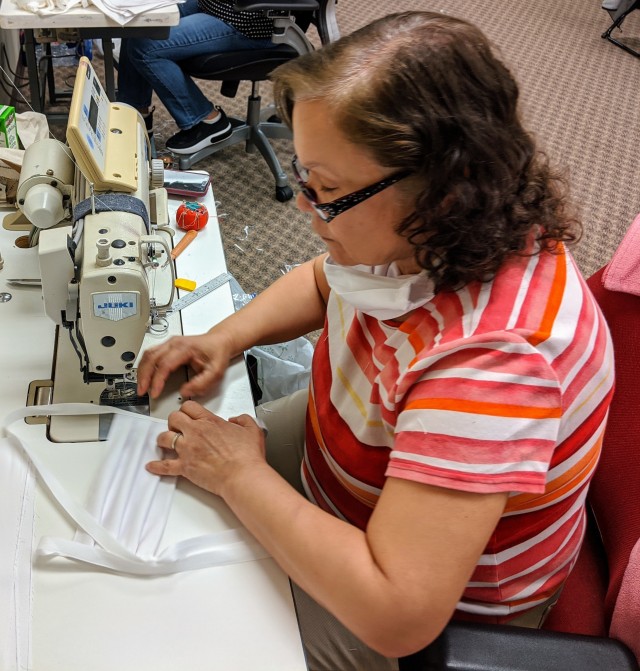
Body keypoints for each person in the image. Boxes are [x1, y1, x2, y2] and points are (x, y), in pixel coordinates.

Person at [136, 11, 615, 671]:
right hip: (352, 471)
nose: (304, 207)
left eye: (326, 190)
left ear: (442, 193)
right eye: (304, 179)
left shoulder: (493, 365)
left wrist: (241, 475)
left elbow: (398, 613)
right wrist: (225, 336)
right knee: (165, 460)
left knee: (186, 618)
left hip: (432, 610)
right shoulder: (424, 237)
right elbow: (324, 281)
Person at [116, 0, 283, 154]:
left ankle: (207, 119)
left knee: (145, 47)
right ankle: (135, 116)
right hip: (219, 5)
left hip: (249, 20)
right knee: (138, 22)